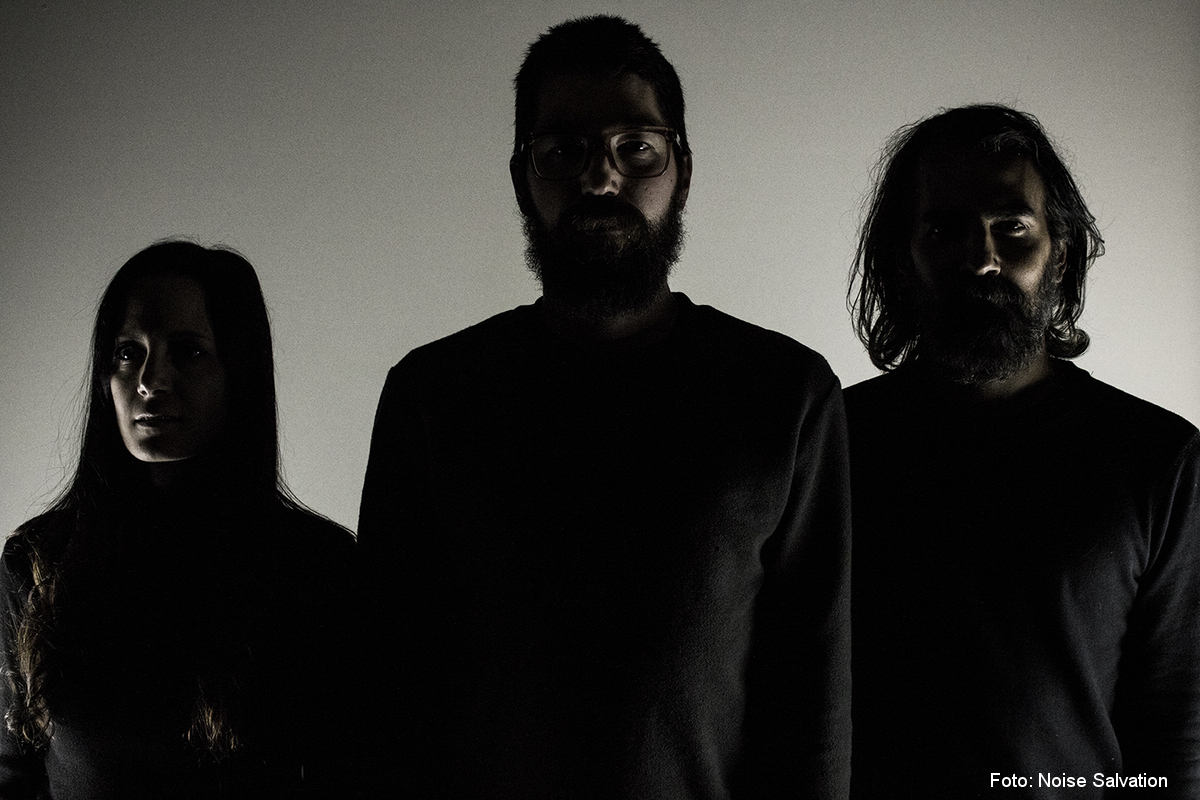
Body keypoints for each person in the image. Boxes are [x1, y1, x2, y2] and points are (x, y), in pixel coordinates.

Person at [356, 15, 851, 799]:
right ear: (521, 178)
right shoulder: (434, 396)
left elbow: (812, 707)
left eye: (636, 149)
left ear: (682, 170)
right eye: (564, 152)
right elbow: (388, 696)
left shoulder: (785, 395)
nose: (600, 179)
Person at [846, 104, 1200, 798]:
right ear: (903, 255)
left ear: (1059, 253)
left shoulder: (1156, 457)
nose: (981, 259)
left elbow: (1177, 731)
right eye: (944, 229)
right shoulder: (831, 442)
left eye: (1012, 228)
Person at [0, 240, 355, 798]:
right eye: (127, 352)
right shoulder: (40, 562)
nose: (150, 379)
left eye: (187, 351)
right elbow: (13, 773)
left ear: (238, 370)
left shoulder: (317, 567)